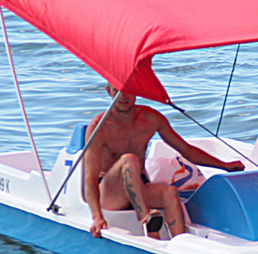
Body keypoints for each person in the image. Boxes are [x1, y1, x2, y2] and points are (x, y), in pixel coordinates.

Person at [84, 85, 245, 239]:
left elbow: (186, 150)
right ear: (109, 91)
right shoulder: (99, 126)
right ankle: (147, 219)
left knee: (170, 193)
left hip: (139, 186)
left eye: (128, 91)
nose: (123, 96)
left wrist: (224, 165)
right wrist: (96, 217)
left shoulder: (151, 118)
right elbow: (89, 177)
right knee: (129, 159)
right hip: (110, 194)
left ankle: (180, 244)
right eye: (117, 91)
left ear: (136, 92)